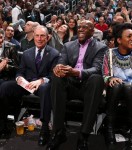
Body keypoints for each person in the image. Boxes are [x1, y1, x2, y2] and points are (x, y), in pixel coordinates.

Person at [47, 20, 108, 150]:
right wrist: (58, 67)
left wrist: (76, 72)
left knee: (97, 79)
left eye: (85, 27)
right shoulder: (68, 45)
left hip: (87, 86)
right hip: (70, 85)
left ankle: (84, 135)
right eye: (79, 27)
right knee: (56, 77)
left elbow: (97, 68)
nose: (80, 29)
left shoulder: (101, 47)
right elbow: (61, 61)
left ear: (92, 31)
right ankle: (58, 132)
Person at [0, 25, 59, 145]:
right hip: (26, 85)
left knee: (45, 87)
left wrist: (41, 80)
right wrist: (19, 77)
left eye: (42, 36)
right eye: (37, 35)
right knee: (5, 87)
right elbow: (20, 71)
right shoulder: (27, 53)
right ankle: (3, 124)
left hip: (41, 86)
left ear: (47, 38)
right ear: (34, 36)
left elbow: (53, 75)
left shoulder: (54, 54)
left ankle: (44, 129)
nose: (39, 38)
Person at [103, 23, 132, 150]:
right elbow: (105, 75)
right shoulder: (109, 54)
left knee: (128, 86)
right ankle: (109, 131)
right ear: (119, 40)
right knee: (118, 85)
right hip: (114, 92)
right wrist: (110, 78)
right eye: (129, 36)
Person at [0, 28, 19, 135]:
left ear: (4, 37)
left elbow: (17, 67)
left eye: (1, 37)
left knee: (2, 88)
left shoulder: (11, 47)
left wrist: (6, 66)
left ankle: (3, 123)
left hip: (7, 78)